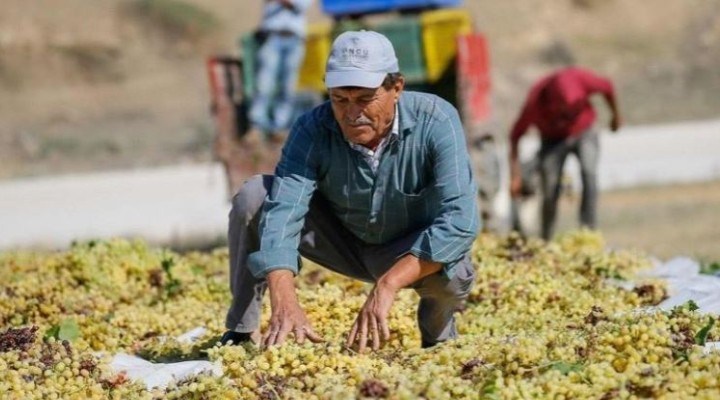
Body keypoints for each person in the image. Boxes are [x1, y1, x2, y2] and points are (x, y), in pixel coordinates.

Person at [221, 30, 480, 352]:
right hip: (342, 240)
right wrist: (284, 299)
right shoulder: (311, 129)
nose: (351, 113)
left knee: (453, 271)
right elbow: (283, 214)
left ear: (396, 88)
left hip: (406, 249)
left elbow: (460, 222)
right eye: (339, 100)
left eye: (364, 99)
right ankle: (241, 333)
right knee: (254, 196)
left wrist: (388, 285)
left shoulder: (436, 120)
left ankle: (437, 339)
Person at [508, 67, 622, 240]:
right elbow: (515, 136)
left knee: (589, 172)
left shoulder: (580, 78)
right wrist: (515, 177)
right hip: (553, 140)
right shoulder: (536, 100)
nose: (568, 115)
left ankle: (588, 232)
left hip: (584, 132)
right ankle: (546, 238)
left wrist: (615, 116)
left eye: (574, 109)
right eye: (564, 110)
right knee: (550, 188)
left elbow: (608, 87)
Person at [248, 0, 314, 146]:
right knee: (264, 84)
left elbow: (300, 5)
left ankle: (279, 127)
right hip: (272, 36)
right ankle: (256, 126)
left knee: (288, 87)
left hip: (294, 38)